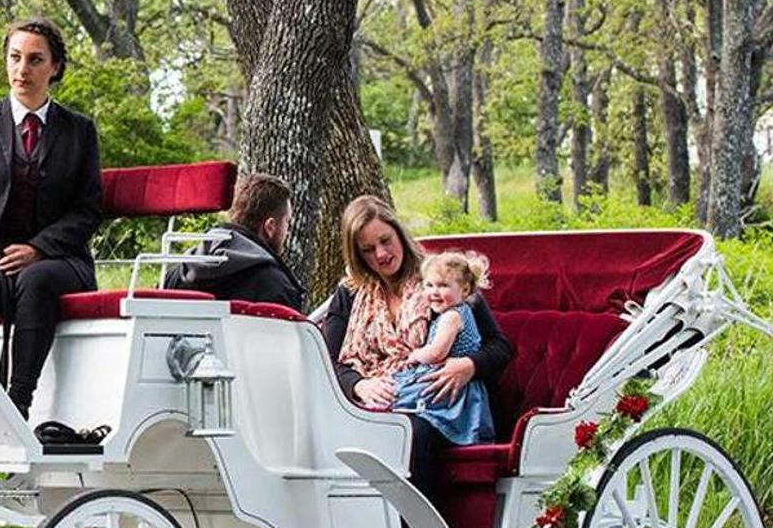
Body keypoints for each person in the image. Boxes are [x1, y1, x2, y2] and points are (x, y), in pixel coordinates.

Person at [0, 17, 102, 418]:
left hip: (58, 261)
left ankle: (19, 402)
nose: (21, 70)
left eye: (34, 60)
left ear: (55, 67)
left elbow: (88, 210)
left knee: (36, 278)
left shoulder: (79, 131)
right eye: (14, 58)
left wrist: (38, 249)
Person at [318, 195, 511, 490]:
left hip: (438, 402)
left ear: (399, 233)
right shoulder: (351, 293)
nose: (381, 254)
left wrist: (468, 366)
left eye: (386, 241)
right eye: (368, 250)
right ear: (356, 255)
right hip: (372, 399)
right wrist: (359, 384)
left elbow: (499, 346)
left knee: (407, 433)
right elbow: (327, 360)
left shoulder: (439, 278)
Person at [390, 251, 496, 445]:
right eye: (429, 285)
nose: (434, 292)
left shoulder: (451, 317)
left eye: (443, 285)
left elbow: (437, 353)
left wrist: (416, 354)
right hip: (453, 383)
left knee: (398, 392)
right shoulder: (454, 313)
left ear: (464, 290)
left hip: (450, 384)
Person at [161, 171, 304, 309]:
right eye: (287, 222)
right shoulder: (276, 286)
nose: (288, 231)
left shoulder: (175, 275)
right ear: (270, 227)